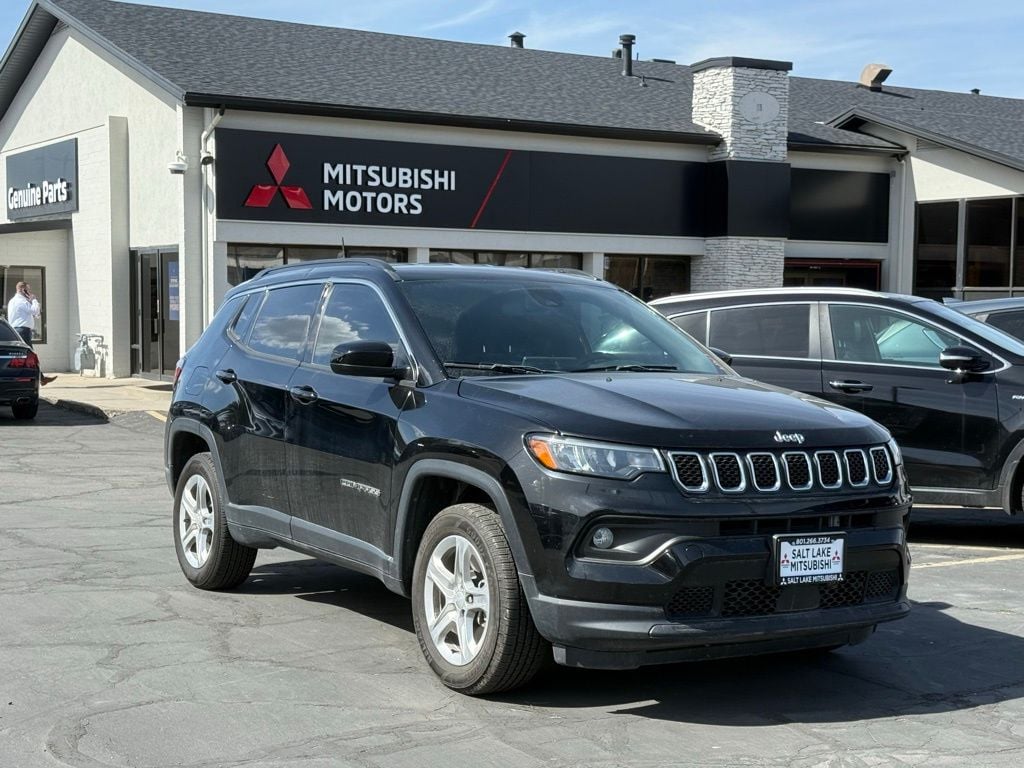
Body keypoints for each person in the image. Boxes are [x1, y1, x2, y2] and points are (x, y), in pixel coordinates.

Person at [6, 281, 56, 385]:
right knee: (31, 355)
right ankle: (41, 378)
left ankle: (38, 377)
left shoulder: (13, 301)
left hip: (17, 330)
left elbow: (33, 313)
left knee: (22, 355)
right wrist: (34, 300)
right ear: (22, 290)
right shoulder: (22, 301)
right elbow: (35, 311)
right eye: (27, 289)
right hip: (23, 330)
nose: (29, 292)